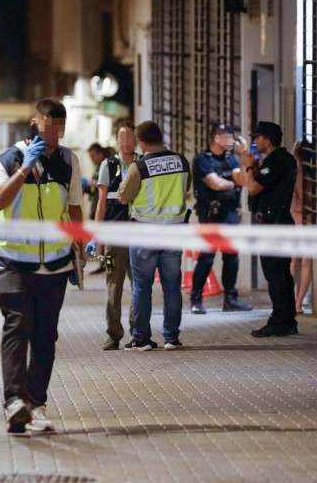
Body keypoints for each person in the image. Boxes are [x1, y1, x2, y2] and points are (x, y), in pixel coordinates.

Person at [0, 98, 84, 434]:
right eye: (49, 125)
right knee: (18, 324)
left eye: (61, 126)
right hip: (13, 262)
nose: (55, 133)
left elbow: (74, 207)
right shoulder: (9, 159)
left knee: (45, 336)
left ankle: (35, 405)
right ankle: (15, 401)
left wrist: (82, 245)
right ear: (35, 122)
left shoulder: (69, 160)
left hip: (55, 264)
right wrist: (24, 168)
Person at [118, 121, 191, 351]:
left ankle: (141, 338)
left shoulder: (139, 166)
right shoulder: (181, 161)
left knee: (142, 287)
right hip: (173, 232)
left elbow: (123, 196)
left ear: (141, 143)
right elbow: (186, 188)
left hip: (145, 234)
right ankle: (171, 338)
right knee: (172, 287)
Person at [189, 122, 255, 314]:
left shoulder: (231, 159)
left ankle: (231, 299)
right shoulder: (202, 159)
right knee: (207, 256)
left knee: (232, 256)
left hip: (229, 212)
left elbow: (241, 180)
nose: (232, 142)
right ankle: (196, 299)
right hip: (211, 214)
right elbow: (215, 184)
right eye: (229, 138)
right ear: (217, 138)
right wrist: (232, 184)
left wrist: (244, 157)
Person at [244, 121, 299, 338]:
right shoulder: (282, 160)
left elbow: (254, 187)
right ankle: (287, 319)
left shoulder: (276, 161)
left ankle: (279, 321)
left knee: (275, 274)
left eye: (257, 138)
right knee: (282, 273)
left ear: (267, 139)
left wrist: (248, 167)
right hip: (280, 221)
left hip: (273, 224)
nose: (255, 142)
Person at [87, 119, 138, 350]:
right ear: (117, 140)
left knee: (139, 286)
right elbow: (101, 203)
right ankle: (114, 334)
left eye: (132, 137)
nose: (128, 142)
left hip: (139, 236)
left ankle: (137, 331)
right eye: (123, 137)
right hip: (114, 236)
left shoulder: (143, 162)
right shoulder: (109, 165)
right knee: (113, 286)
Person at [291, 139, 316, 314]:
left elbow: (294, 199)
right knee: (306, 263)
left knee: (294, 263)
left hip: (295, 220)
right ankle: (298, 303)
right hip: (308, 221)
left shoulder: (295, 172)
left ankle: (290, 301)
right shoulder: (312, 174)